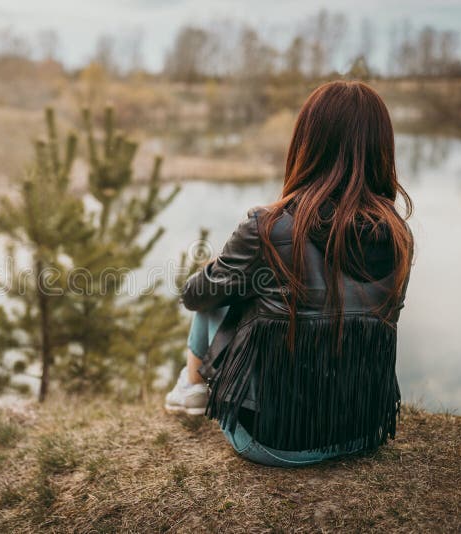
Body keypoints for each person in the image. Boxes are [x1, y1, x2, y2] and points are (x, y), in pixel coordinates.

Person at [165, 81, 414, 467]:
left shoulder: (267, 227)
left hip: (270, 441)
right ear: (382, 149)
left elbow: (195, 296)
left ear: (307, 144)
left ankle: (192, 387)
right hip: (363, 434)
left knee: (217, 291)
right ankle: (193, 387)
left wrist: (222, 268)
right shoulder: (398, 235)